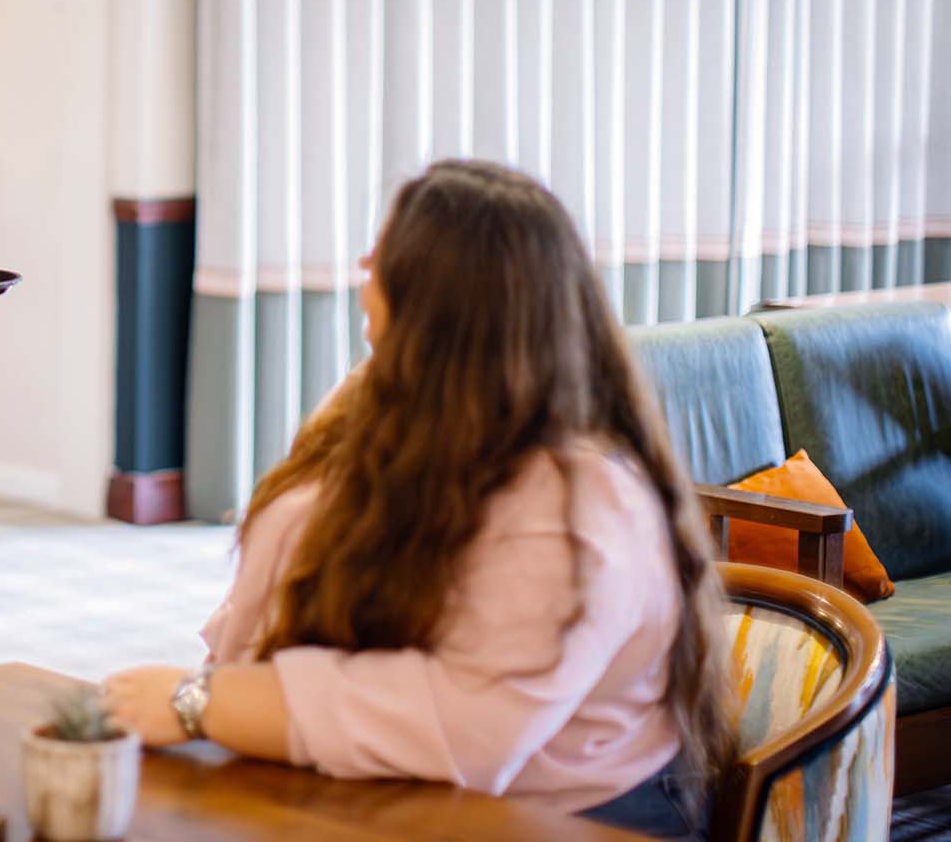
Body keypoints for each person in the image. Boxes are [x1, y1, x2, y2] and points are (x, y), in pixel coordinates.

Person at [103, 160, 733, 840]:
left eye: (385, 255)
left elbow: (460, 729)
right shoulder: (378, 403)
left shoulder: (584, 509)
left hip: (571, 815)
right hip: (392, 778)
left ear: (444, 310)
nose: (363, 263)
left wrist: (201, 703)